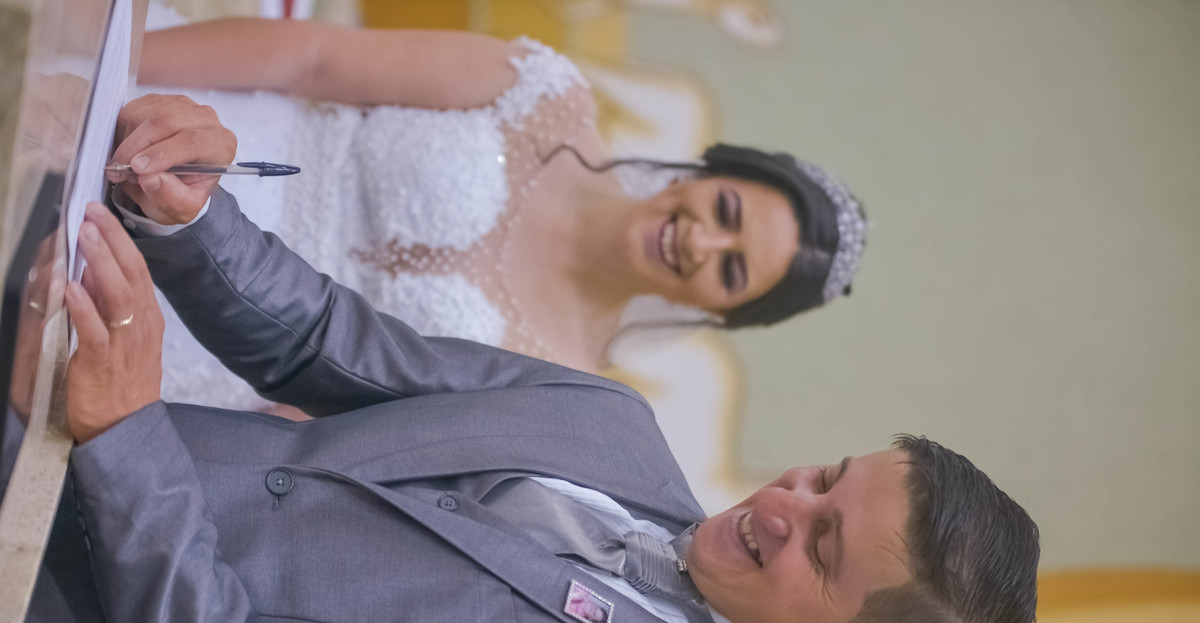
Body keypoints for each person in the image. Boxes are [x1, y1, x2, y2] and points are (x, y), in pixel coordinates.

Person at [0, 99, 1036, 623]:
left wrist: (129, 443)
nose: (782, 505)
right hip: (32, 434)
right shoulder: (614, 423)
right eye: (824, 478)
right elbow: (330, 345)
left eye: (823, 545)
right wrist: (192, 220)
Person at [132, 9, 868, 410]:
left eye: (732, 270)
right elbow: (312, 59)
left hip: (197, 347)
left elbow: (334, 418)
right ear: (706, 173)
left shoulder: (559, 384)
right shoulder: (542, 96)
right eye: (727, 210)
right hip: (204, 130)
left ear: (720, 312)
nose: (703, 241)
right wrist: (115, 71)